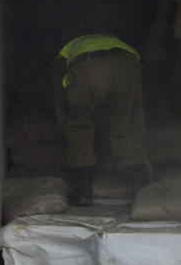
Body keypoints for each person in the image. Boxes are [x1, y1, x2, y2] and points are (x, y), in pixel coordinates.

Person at [53, 34, 149, 205]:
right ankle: (139, 187)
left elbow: (61, 94)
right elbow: (137, 102)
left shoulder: (65, 53)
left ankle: (83, 190)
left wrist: (62, 120)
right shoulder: (121, 44)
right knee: (125, 124)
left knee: (78, 126)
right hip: (125, 65)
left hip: (88, 67)